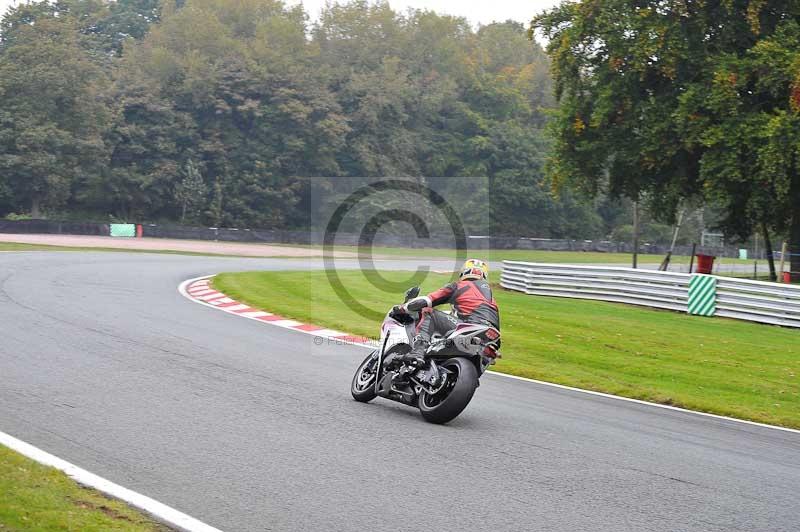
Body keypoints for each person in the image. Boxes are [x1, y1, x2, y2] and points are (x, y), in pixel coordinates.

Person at [393, 258, 500, 365]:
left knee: (428, 312)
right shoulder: (492, 301)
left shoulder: (459, 286)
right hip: (490, 338)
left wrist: (403, 308)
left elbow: (427, 300)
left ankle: (418, 351)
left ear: (464, 272)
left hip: (469, 327)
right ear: (484, 275)